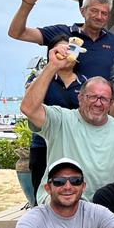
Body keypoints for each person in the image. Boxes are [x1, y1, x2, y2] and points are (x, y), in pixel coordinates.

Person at [21, 44, 114, 204]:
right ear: (80, 98)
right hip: (61, 203)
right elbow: (28, 108)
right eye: (92, 97)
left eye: (104, 99)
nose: (98, 103)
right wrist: (52, 66)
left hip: (103, 207)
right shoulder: (60, 120)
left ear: (111, 103)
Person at [8, 0, 114, 79]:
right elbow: (17, 33)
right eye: (94, 11)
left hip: (100, 99)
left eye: (104, 13)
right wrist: (27, 3)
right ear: (83, 11)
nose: (99, 16)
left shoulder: (113, 41)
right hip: (60, 98)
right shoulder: (61, 32)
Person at [25, 34, 87, 201]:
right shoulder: (41, 79)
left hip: (74, 145)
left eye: (71, 49)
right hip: (42, 145)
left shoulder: (85, 83)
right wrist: (51, 68)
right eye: (61, 50)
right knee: (43, 193)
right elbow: (29, 107)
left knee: (70, 190)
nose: (66, 53)